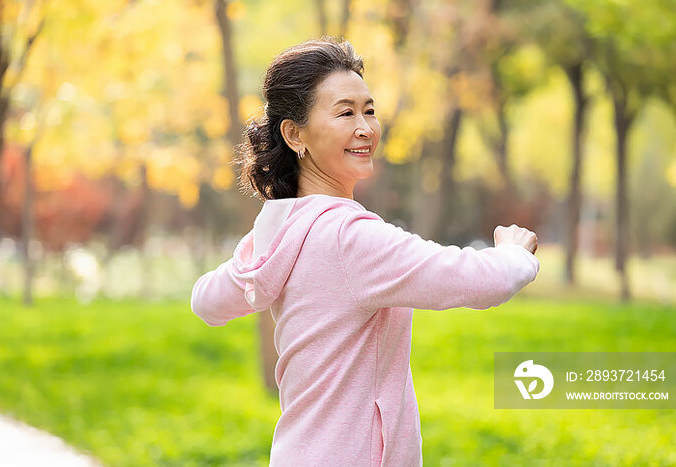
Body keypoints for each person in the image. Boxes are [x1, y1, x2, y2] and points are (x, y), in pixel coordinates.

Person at [190, 37, 539, 467]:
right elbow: (481, 281)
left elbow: (205, 300)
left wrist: (256, 246)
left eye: (368, 110)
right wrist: (515, 252)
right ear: (294, 134)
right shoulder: (349, 237)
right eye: (344, 112)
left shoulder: (281, 235)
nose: (365, 128)